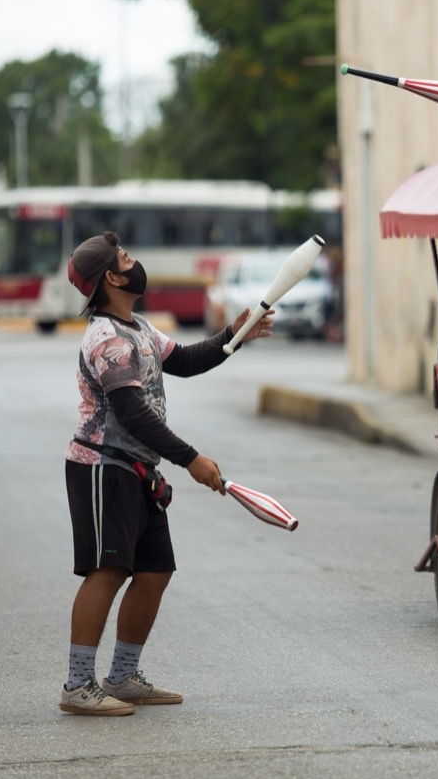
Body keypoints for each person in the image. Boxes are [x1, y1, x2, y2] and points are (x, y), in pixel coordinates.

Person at [60, 231, 274, 717]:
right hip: (103, 467)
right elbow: (133, 415)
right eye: (126, 258)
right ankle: (77, 684)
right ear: (112, 277)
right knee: (108, 571)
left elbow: (186, 361)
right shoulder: (107, 339)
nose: (135, 262)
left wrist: (234, 336)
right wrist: (191, 458)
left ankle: (123, 677)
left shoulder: (137, 327)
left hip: (139, 470)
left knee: (155, 571)